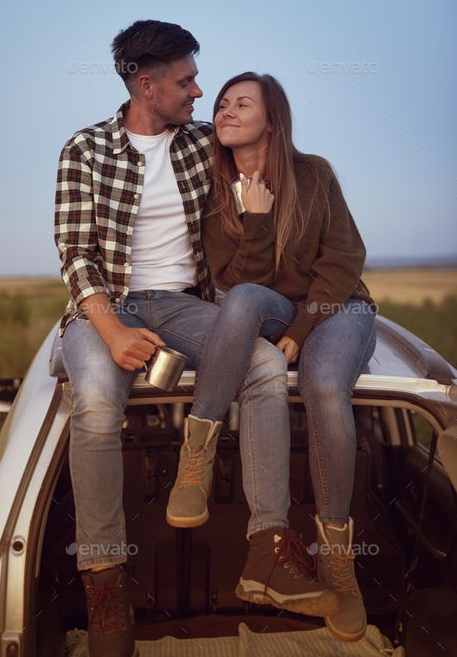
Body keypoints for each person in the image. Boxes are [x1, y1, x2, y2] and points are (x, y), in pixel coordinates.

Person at [55, 23, 337, 657]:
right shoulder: (86, 149)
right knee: (96, 405)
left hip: (187, 305)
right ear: (146, 85)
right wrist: (111, 328)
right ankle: (105, 582)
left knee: (263, 364)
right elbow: (75, 255)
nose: (199, 92)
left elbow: (274, 151)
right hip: (106, 304)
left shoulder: (202, 143)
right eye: (186, 82)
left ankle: (267, 553)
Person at [167, 71, 377, 642]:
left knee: (327, 389)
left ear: (273, 118)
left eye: (242, 103)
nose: (226, 111)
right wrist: (255, 220)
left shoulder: (313, 173)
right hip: (271, 308)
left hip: (337, 310)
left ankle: (338, 560)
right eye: (222, 104)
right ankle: (199, 450)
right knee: (238, 300)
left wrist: (306, 328)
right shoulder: (216, 193)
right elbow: (240, 281)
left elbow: (344, 257)